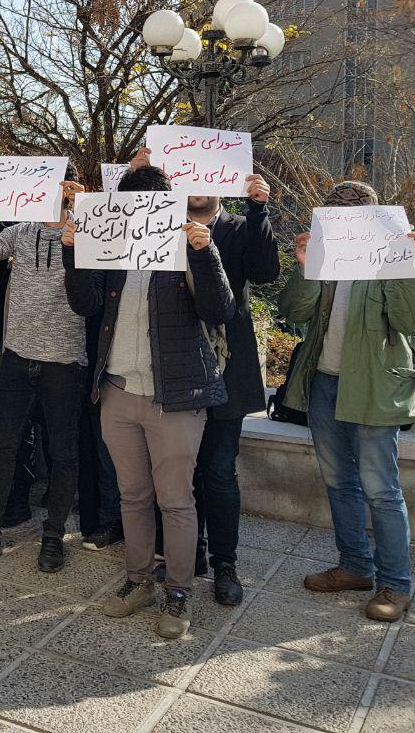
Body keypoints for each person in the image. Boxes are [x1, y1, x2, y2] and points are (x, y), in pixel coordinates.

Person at [62, 165, 236, 640]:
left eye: (151, 204)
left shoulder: (187, 243)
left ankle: (179, 591)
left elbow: (221, 310)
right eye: (132, 203)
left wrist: (205, 254)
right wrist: (72, 251)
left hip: (176, 397)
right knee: (133, 496)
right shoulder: (112, 246)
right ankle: (138, 580)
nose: (140, 212)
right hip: (117, 391)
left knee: (176, 501)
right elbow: (85, 304)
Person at [128, 148, 281, 605]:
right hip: (172, 367)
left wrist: (259, 209)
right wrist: (140, 175)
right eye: (183, 175)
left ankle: (225, 564)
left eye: (203, 174)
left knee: (217, 471)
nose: (195, 184)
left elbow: (267, 270)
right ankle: (185, 553)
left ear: (222, 178)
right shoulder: (157, 227)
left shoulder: (237, 227)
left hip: (225, 367)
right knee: (176, 472)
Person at [279, 181, 415, 623]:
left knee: (381, 489)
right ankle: (354, 567)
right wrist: (306, 267)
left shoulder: (392, 253)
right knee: (338, 481)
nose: (347, 220)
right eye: (337, 213)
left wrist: (410, 266)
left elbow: (414, 320)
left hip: (375, 388)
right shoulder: (325, 257)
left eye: (356, 213)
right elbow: (294, 312)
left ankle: (396, 584)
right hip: (325, 383)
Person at [0, 171, 86, 573]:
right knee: (2, 446)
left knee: (62, 452)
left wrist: (83, 209)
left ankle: (54, 535)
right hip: (16, 357)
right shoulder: (21, 231)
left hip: (64, 362)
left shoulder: (85, 231)